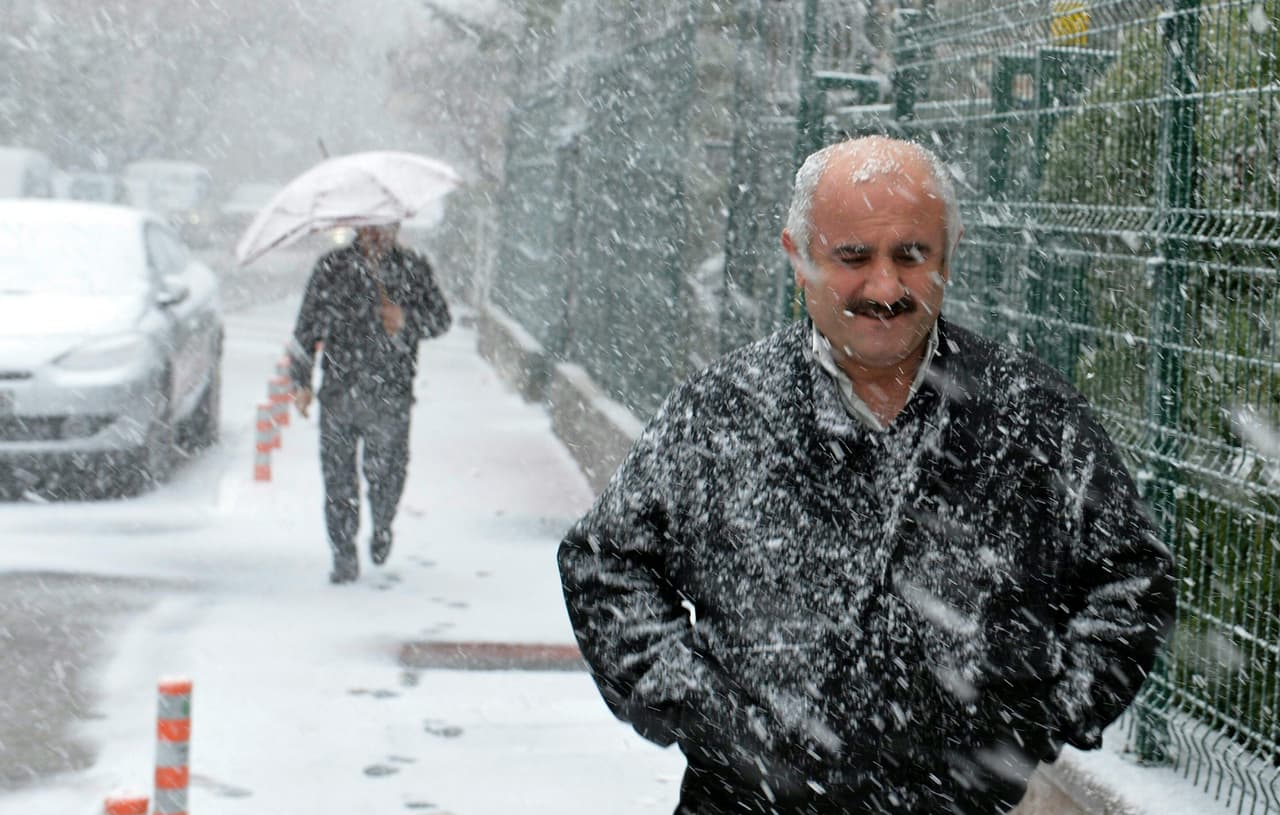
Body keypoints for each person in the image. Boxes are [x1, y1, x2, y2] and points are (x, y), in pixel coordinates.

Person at [557, 136, 1176, 814]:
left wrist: (1037, 719)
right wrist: (707, 713)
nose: (885, 288)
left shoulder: (1028, 415)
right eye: (854, 257)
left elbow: (1132, 578)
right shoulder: (725, 409)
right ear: (799, 258)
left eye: (912, 255)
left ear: (949, 252)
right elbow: (604, 561)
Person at [289, 222, 451, 584]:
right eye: (371, 226)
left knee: (387, 473)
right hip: (339, 392)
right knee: (338, 480)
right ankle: (343, 553)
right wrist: (300, 381)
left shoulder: (412, 267)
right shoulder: (332, 267)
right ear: (359, 227)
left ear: (396, 227)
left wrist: (407, 320)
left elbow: (441, 319)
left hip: (391, 392)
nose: (379, 234)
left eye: (387, 226)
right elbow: (307, 326)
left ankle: (382, 523)